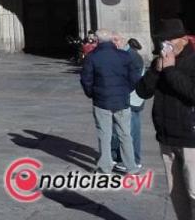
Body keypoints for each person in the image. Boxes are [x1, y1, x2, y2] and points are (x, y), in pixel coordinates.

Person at [137, 19, 195, 218]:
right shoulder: (160, 61)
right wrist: (156, 70)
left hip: (191, 139)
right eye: (161, 42)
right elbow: (143, 91)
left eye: (167, 42)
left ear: (183, 40)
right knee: (176, 193)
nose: (164, 46)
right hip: (166, 137)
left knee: (194, 192)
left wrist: (170, 70)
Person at [80, 30, 141, 174]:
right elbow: (134, 78)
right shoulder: (124, 56)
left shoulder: (92, 57)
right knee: (125, 133)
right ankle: (131, 166)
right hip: (122, 100)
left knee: (104, 134)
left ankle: (105, 167)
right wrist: (125, 91)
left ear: (97, 40)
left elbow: (86, 79)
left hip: (102, 100)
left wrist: (91, 93)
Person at [112, 37, 145, 172]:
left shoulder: (132, 56)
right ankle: (119, 157)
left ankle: (134, 161)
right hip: (130, 98)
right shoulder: (129, 55)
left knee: (131, 131)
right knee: (123, 129)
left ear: (117, 42)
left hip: (131, 100)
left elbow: (134, 81)